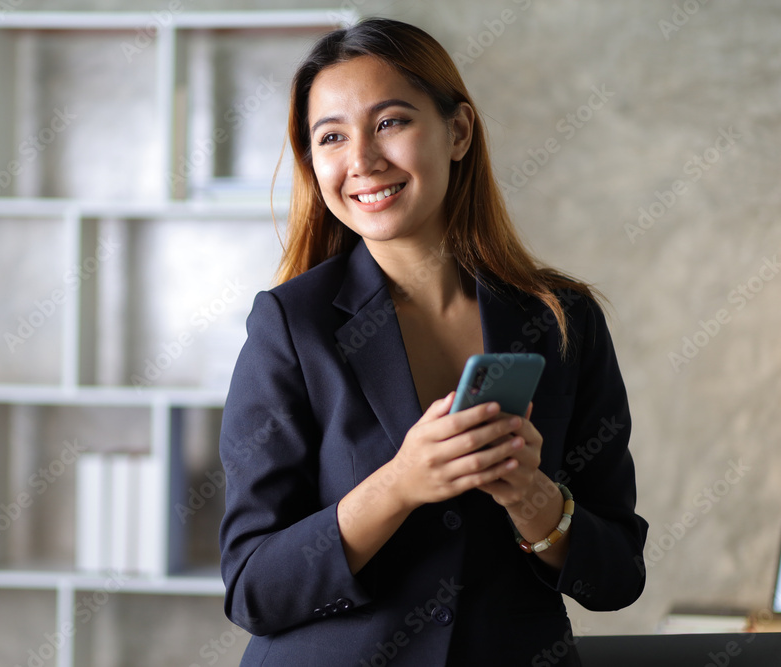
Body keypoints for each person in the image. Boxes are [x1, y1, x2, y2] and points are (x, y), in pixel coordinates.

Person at [218, 17, 647, 666]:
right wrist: (399, 483)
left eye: (390, 122)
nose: (361, 160)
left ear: (458, 132)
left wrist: (533, 498)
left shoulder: (564, 319)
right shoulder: (290, 325)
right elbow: (254, 588)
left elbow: (616, 577)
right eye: (331, 136)